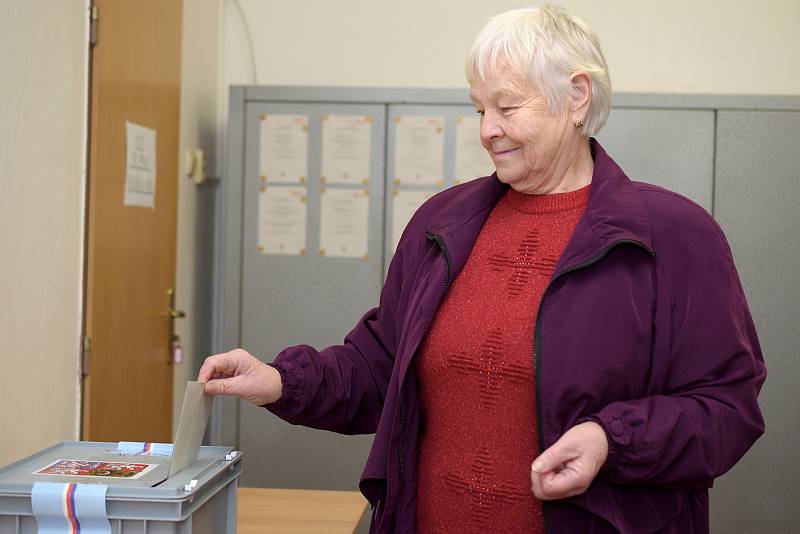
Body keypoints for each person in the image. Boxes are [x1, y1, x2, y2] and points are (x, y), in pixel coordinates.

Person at [199, 5, 766, 533]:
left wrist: (608, 440)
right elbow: (380, 370)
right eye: (478, 108)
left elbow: (725, 409)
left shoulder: (673, 236)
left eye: (507, 107)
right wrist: (278, 381)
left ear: (576, 97)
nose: (486, 129)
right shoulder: (442, 223)